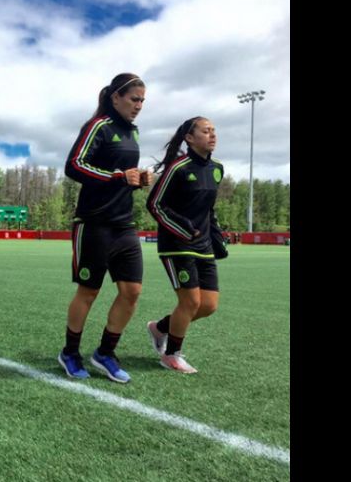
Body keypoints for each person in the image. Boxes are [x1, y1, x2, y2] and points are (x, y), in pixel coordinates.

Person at [59, 73, 152, 383]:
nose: (139, 105)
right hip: (93, 222)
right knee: (89, 291)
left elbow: (122, 177)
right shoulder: (98, 126)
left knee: (132, 292)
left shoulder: (133, 133)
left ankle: (105, 353)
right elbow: (74, 165)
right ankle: (70, 353)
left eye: (142, 100)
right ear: (116, 98)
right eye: (134, 99)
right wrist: (118, 177)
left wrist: (137, 180)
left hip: (124, 224)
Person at [145, 116, 227, 374]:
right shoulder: (177, 168)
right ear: (190, 138)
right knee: (190, 302)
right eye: (206, 131)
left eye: (213, 130)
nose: (212, 135)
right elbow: (154, 205)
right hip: (176, 244)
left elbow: (208, 209)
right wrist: (183, 229)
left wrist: (217, 238)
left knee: (208, 305)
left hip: (203, 245)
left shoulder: (217, 168)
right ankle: (171, 355)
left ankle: (159, 328)